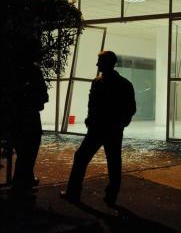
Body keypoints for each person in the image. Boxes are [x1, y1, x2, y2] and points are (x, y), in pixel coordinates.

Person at [60, 51, 136, 205]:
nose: (97, 65)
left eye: (100, 62)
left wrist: (92, 121)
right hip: (110, 129)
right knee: (113, 162)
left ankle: (73, 192)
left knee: (82, 158)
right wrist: (120, 124)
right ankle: (111, 196)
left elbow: (95, 105)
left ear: (108, 63)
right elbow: (130, 108)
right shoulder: (124, 84)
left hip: (99, 129)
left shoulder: (98, 82)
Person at [7, 62, 48, 198]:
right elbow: (43, 98)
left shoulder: (14, 73)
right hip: (30, 121)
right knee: (28, 154)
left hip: (17, 120)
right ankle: (21, 187)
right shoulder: (33, 73)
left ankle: (21, 185)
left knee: (24, 155)